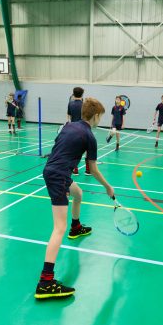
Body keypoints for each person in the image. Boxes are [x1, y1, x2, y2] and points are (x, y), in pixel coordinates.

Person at [36, 98, 114, 299]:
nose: (100, 120)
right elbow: (93, 170)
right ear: (96, 116)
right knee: (58, 228)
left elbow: (59, 147)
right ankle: (46, 282)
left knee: (78, 193)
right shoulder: (89, 136)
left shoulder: (68, 126)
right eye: (101, 116)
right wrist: (107, 187)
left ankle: (76, 227)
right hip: (59, 176)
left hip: (53, 170)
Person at [67, 87, 90, 176]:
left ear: (73, 93)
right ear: (82, 94)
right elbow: (86, 118)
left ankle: (75, 170)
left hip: (72, 129)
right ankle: (88, 170)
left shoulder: (70, 104)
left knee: (74, 150)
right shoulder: (84, 105)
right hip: (83, 129)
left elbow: (68, 117)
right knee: (87, 149)